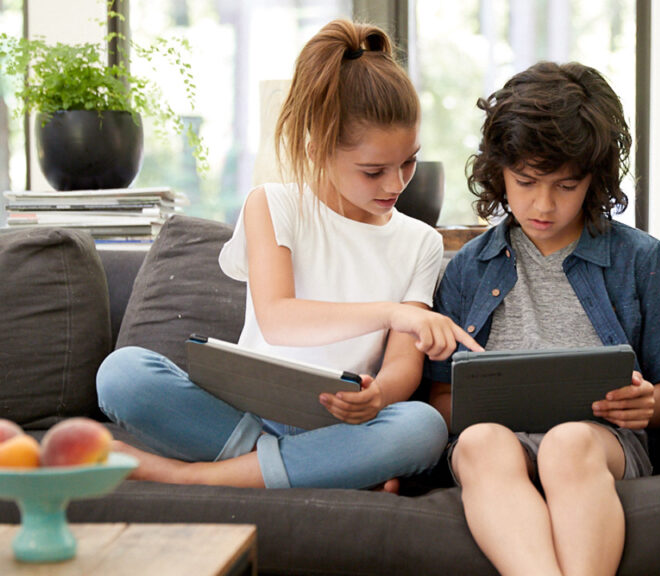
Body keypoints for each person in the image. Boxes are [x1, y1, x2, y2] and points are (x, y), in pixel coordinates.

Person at [96, 19, 481, 491]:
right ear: (319, 150)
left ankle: (195, 476)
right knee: (123, 373)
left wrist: (378, 397)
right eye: (373, 170)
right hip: (245, 412)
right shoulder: (273, 204)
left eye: (408, 161)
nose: (396, 183)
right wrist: (392, 312)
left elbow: (404, 364)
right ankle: (325, 469)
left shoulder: (419, 240)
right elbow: (279, 319)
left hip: (341, 422)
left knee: (422, 427)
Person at [426, 61, 660, 575]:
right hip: (495, 449)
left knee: (567, 442)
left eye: (565, 186)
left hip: (598, 446)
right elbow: (440, 398)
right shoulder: (467, 268)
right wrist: (474, 406)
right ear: (498, 171)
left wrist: (644, 404)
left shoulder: (639, 258)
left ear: (594, 180)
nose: (543, 204)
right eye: (525, 182)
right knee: (482, 441)